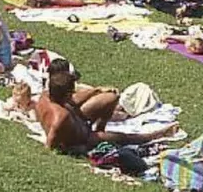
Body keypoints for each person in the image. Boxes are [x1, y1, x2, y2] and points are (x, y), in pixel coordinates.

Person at [34, 60, 177, 154]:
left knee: (110, 97)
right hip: (83, 138)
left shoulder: (46, 96)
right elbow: (50, 145)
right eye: (71, 92)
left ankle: (101, 125)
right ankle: (154, 135)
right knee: (123, 138)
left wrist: (96, 90)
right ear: (66, 94)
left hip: (76, 119)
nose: (73, 94)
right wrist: (77, 149)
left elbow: (74, 101)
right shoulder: (60, 116)